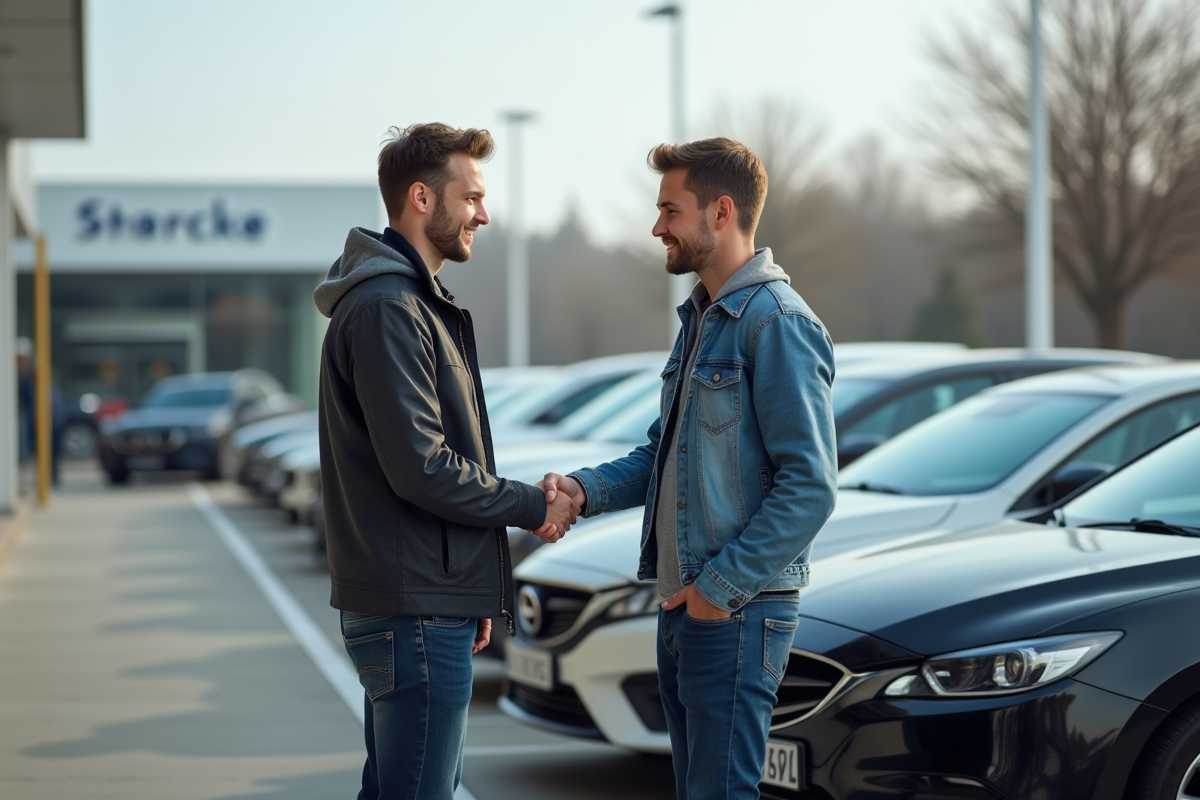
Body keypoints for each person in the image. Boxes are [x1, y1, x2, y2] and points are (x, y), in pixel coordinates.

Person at [540, 138, 837, 800]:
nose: (657, 228)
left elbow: (811, 487)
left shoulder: (778, 324)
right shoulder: (704, 320)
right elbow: (664, 454)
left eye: (669, 210)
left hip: (734, 613)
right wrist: (582, 491)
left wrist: (718, 591)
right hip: (686, 611)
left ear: (721, 212)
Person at [314, 122, 577, 800]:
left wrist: (472, 589)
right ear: (422, 198)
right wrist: (533, 505)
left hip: (427, 603)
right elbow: (422, 466)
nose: (483, 215)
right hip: (415, 613)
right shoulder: (390, 308)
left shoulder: (407, 302)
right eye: (473, 197)